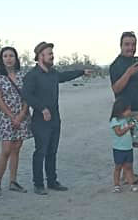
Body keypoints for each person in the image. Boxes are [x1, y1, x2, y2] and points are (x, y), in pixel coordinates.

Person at [22, 41, 90, 195]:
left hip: (55, 119)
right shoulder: (32, 76)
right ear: (40, 56)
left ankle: (52, 181)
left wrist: (81, 72)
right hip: (40, 121)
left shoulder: (52, 73)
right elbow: (26, 94)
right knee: (41, 152)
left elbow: (64, 76)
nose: (52, 56)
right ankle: (38, 184)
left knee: (52, 151)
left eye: (52, 53)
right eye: (49, 54)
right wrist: (41, 108)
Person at [108, 31, 138, 183]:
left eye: (133, 44)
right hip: (126, 111)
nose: (131, 48)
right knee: (125, 144)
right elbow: (116, 89)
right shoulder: (116, 65)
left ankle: (130, 174)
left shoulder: (137, 62)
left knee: (136, 142)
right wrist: (128, 73)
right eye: (127, 44)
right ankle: (128, 175)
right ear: (121, 45)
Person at [0, 46, 31, 196]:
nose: (8, 59)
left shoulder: (23, 76)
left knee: (16, 149)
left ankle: (13, 181)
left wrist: (21, 115)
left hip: (22, 116)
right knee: (6, 150)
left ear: (16, 58)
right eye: (5, 56)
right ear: (1, 59)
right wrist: (12, 116)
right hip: (6, 118)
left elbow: (28, 96)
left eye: (11, 56)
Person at [109, 99, 138, 193]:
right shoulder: (115, 120)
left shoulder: (127, 119)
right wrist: (128, 127)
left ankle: (131, 184)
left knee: (129, 167)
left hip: (128, 147)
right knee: (118, 167)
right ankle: (116, 185)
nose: (130, 111)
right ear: (121, 110)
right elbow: (119, 132)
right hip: (119, 148)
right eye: (128, 110)